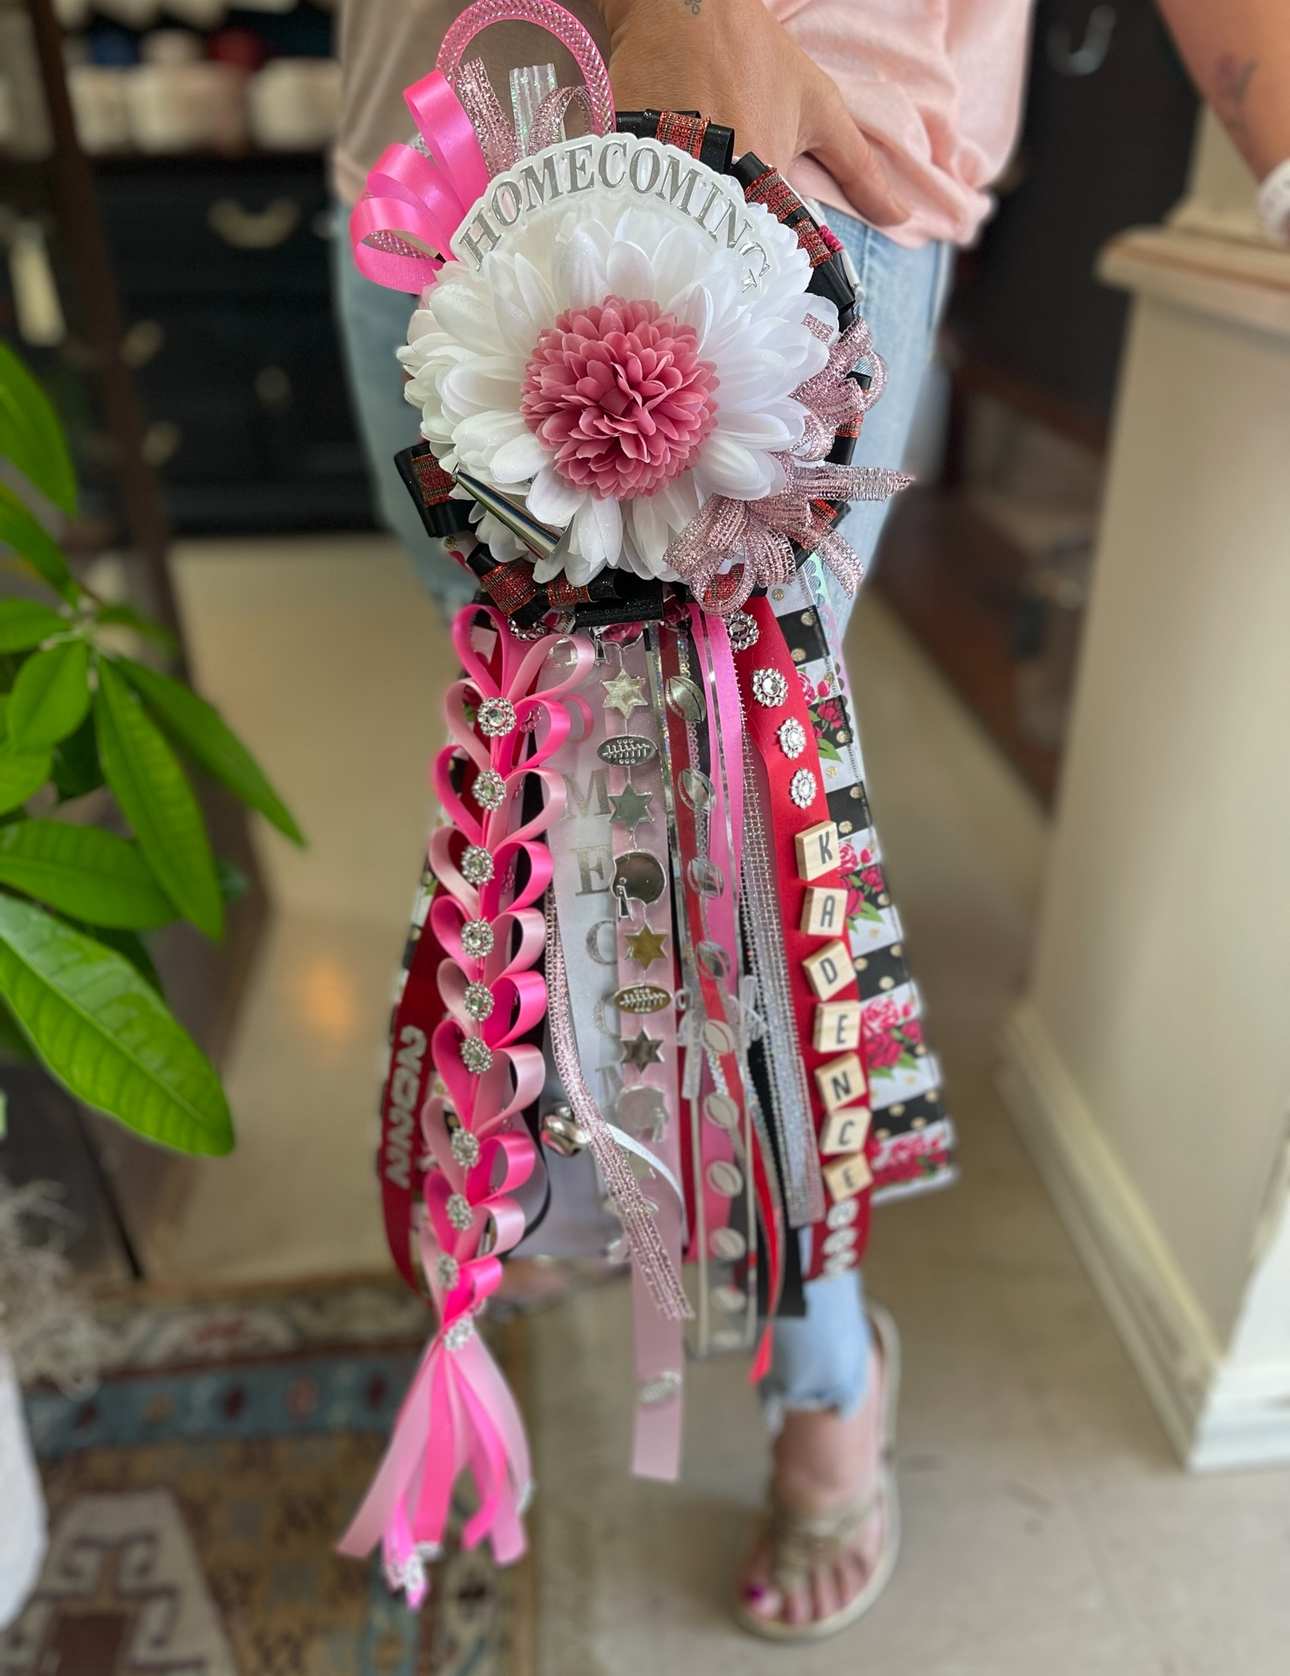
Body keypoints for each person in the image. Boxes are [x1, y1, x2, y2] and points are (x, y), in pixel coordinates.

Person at [331, 0, 1290, 1641]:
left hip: (765, 118)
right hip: (423, 136)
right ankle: (583, 1164)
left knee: (725, 838)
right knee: (530, 766)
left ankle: (822, 1352)